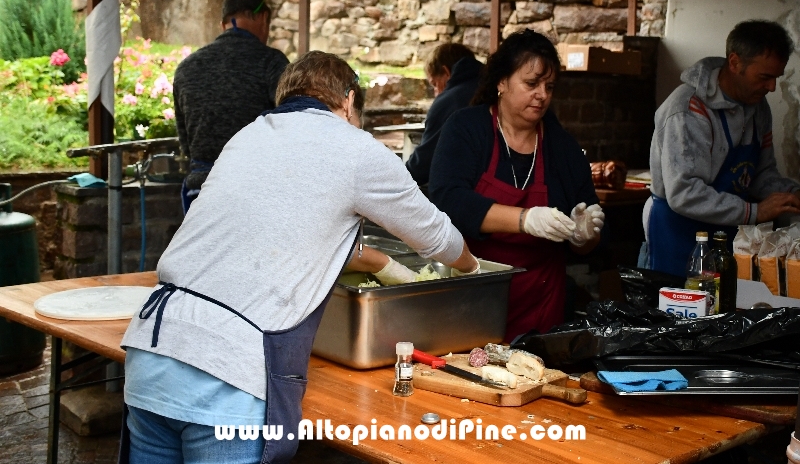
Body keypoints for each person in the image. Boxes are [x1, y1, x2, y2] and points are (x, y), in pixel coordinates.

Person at [120, 51, 480, 463]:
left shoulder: (249, 135)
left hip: (151, 353)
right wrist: (473, 268)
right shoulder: (355, 148)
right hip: (226, 376)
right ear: (347, 101)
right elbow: (438, 239)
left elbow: (279, 237)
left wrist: (377, 261)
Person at [429, 29, 604, 343]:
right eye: (531, 83)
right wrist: (525, 220)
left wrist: (583, 235)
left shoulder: (562, 149)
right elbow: (448, 200)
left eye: (549, 87)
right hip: (474, 292)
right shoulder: (467, 129)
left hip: (541, 305)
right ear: (501, 82)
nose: (542, 95)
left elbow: (586, 239)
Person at [645, 20, 800, 277]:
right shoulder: (687, 109)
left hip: (727, 229)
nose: (772, 87)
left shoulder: (759, 108)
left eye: (776, 77)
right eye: (765, 77)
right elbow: (684, 193)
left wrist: (792, 196)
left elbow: (761, 176)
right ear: (735, 62)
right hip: (678, 230)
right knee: (678, 311)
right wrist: (755, 211)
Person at [174, 0, 290, 214]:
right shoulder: (271, 62)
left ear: (223, 24)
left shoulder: (187, 68)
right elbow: (290, 127)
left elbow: (186, 143)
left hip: (201, 192)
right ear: (263, 18)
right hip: (257, 191)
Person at [405, 43, 484, 186]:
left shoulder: (450, 101)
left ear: (446, 72)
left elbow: (423, 165)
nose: (436, 93)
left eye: (435, 84)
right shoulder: (490, 86)